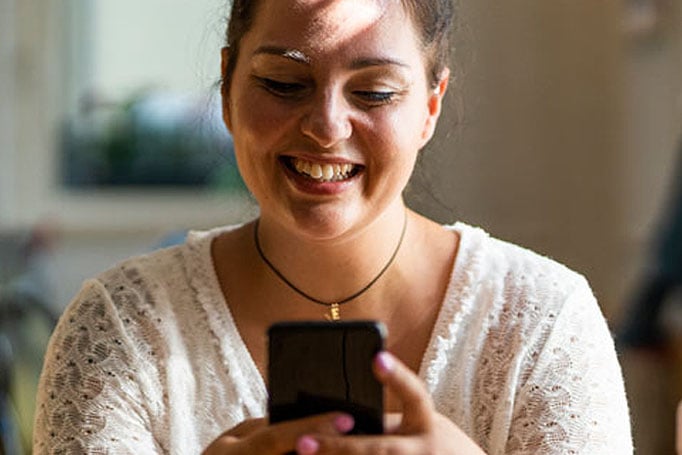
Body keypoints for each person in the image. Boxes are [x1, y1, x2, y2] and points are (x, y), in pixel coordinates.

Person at [33, 0, 632, 453]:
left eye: (373, 92)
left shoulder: (544, 321)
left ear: (430, 104)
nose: (325, 126)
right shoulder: (118, 327)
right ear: (228, 85)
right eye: (283, 84)